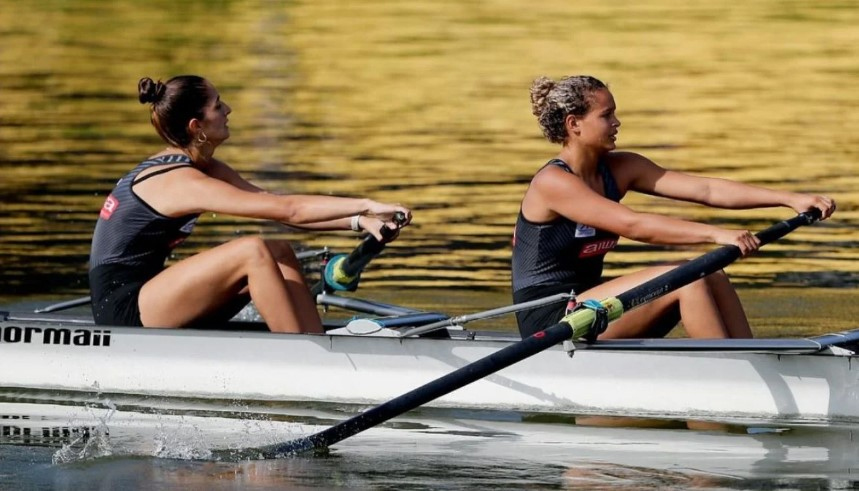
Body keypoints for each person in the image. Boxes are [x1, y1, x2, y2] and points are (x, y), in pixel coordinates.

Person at [511, 75, 835, 339]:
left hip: (592, 301)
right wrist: (717, 234)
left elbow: (707, 189)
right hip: (551, 319)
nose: (617, 122)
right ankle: (734, 378)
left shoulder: (622, 167)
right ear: (574, 124)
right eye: (606, 115)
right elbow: (632, 225)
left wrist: (789, 199)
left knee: (711, 273)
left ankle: (752, 364)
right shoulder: (553, 182)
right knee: (687, 277)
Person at [89, 75, 411, 334]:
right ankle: (301, 361)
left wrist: (359, 220)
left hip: (151, 293)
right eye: (218, 105)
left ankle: (313, 342)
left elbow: (280, 208)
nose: (228, 109)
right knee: (251, 251)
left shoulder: (205, 168)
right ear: (196, 126)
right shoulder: (181, 181)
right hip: (123, 309)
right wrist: (367, 204)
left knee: (278, 249)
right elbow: (291, 211)